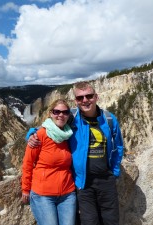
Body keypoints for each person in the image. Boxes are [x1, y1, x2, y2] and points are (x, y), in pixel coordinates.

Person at [27, 81, 124, 225]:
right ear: (76, 101)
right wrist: (30, 134)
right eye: (80, 98)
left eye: (89, 96)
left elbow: (118, 146)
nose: (85, 100)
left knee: (111, 220)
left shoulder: (109, 119)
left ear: (96, 97)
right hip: (82, 183)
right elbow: (48, 126)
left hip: (106, 180)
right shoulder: (71, 118)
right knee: (89, 221)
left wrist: (114, 172)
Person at [22, 99, 76, 225]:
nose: (61, 115)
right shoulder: (39, 135)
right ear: (51, 113)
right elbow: (28, 164)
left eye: (65, 112)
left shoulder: (69, 135)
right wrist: (25, 189)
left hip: (67, 194)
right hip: (43, 195)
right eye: (57, 111)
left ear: (69, 115)